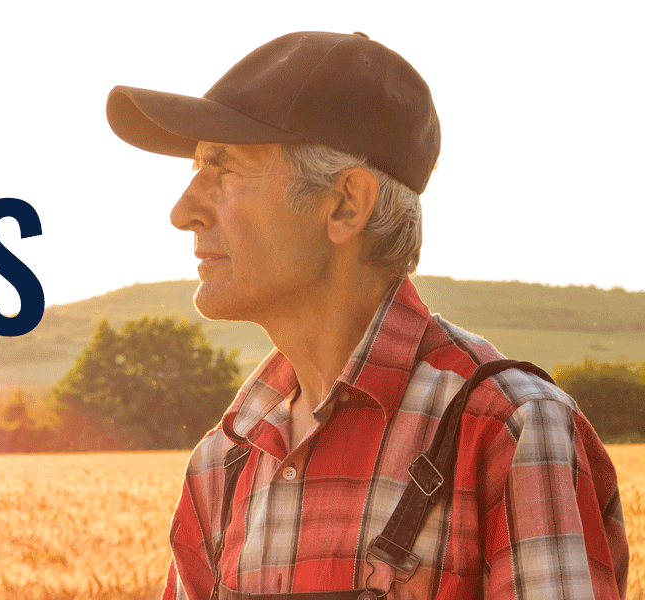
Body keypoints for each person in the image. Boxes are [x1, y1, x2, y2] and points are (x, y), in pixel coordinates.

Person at [105, 31, 628, 600]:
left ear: (346, 203)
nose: (182, 211)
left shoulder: (510, 430)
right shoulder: (222, 463)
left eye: (224, 168)